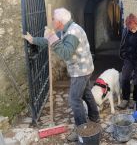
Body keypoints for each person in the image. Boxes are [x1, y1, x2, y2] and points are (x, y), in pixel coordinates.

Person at [23, 8, 99, 142]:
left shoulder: (72, 33)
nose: (52, 20)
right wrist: (33, 39)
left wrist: (52, 36)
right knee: (86, 92)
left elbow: (65, 53)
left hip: (80, 71)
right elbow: (50, 41)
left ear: (60, 22)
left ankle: (82, 129)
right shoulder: (68, 29)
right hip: (85, 68)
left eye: (53, 19)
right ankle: (94, 116)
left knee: (75, 100)